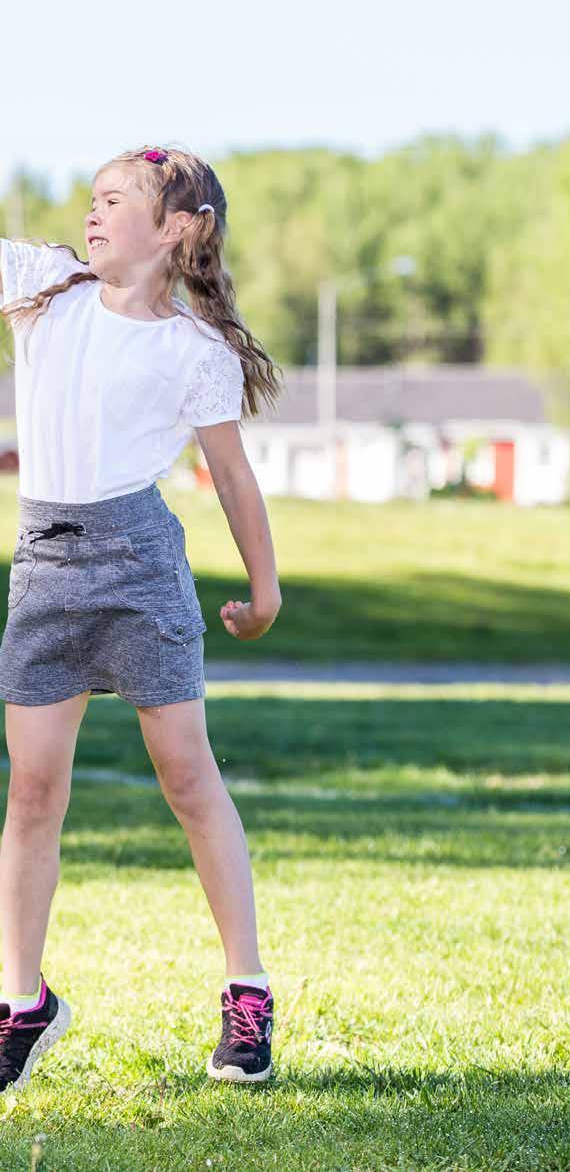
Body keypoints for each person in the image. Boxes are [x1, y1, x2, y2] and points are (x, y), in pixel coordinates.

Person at [0, 145, 284, 1091]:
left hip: (138, 566)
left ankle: (246, 994)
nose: (92, 211)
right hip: (43, 565)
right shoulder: (44, 294)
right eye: (90, 198)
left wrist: (266, 585)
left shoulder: (194, 352)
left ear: (174, 230)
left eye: (115, 200)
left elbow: (233, 476)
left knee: (187, 775)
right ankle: (23, 1000)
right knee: (32, 792)